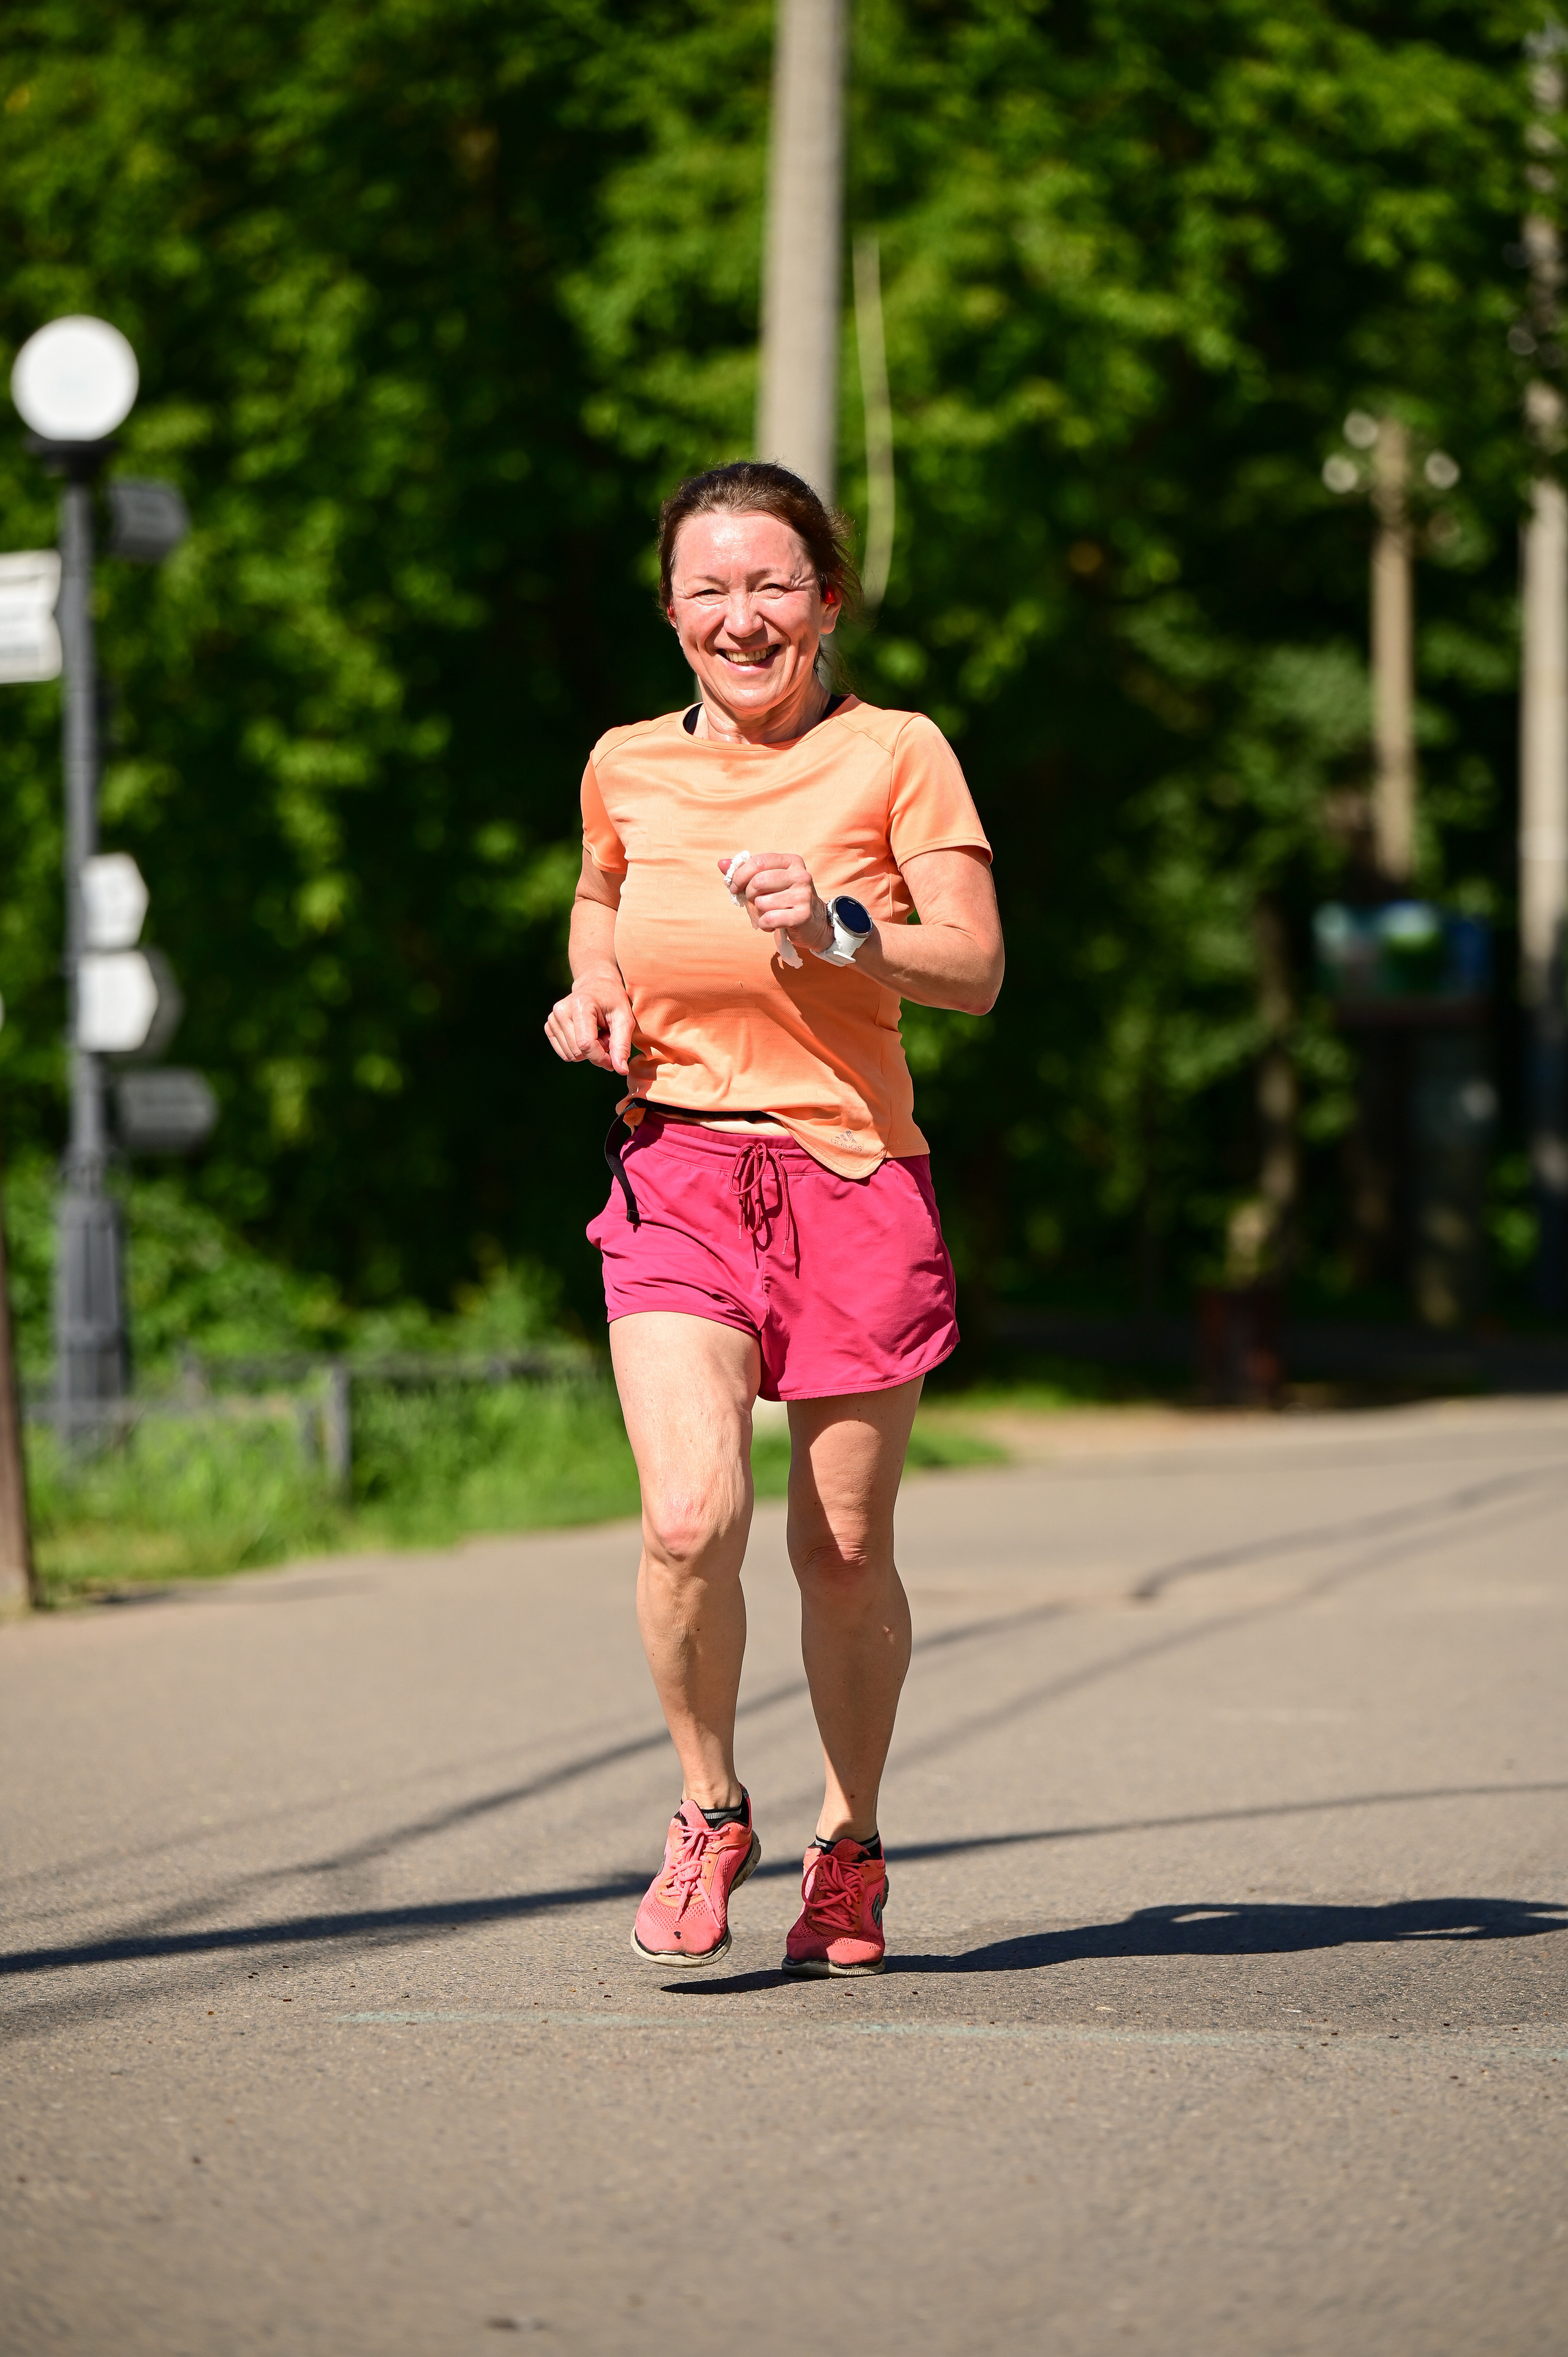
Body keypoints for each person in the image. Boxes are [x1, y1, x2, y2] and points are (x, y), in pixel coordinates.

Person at [543, 460, 1004, 1977]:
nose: (739, 619)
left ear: (825, 596)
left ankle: (850, 1843)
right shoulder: (625, 761)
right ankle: (706, 1803)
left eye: (770, 586)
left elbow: (974, 966)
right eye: (707, 590)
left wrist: (836, 924)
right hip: (676, 1162)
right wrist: (592, 985)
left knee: (844, 1545)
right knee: (688, 1514)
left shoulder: (897, 752)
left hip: (853, 1174)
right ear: (670, 608)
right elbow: (601, 895)